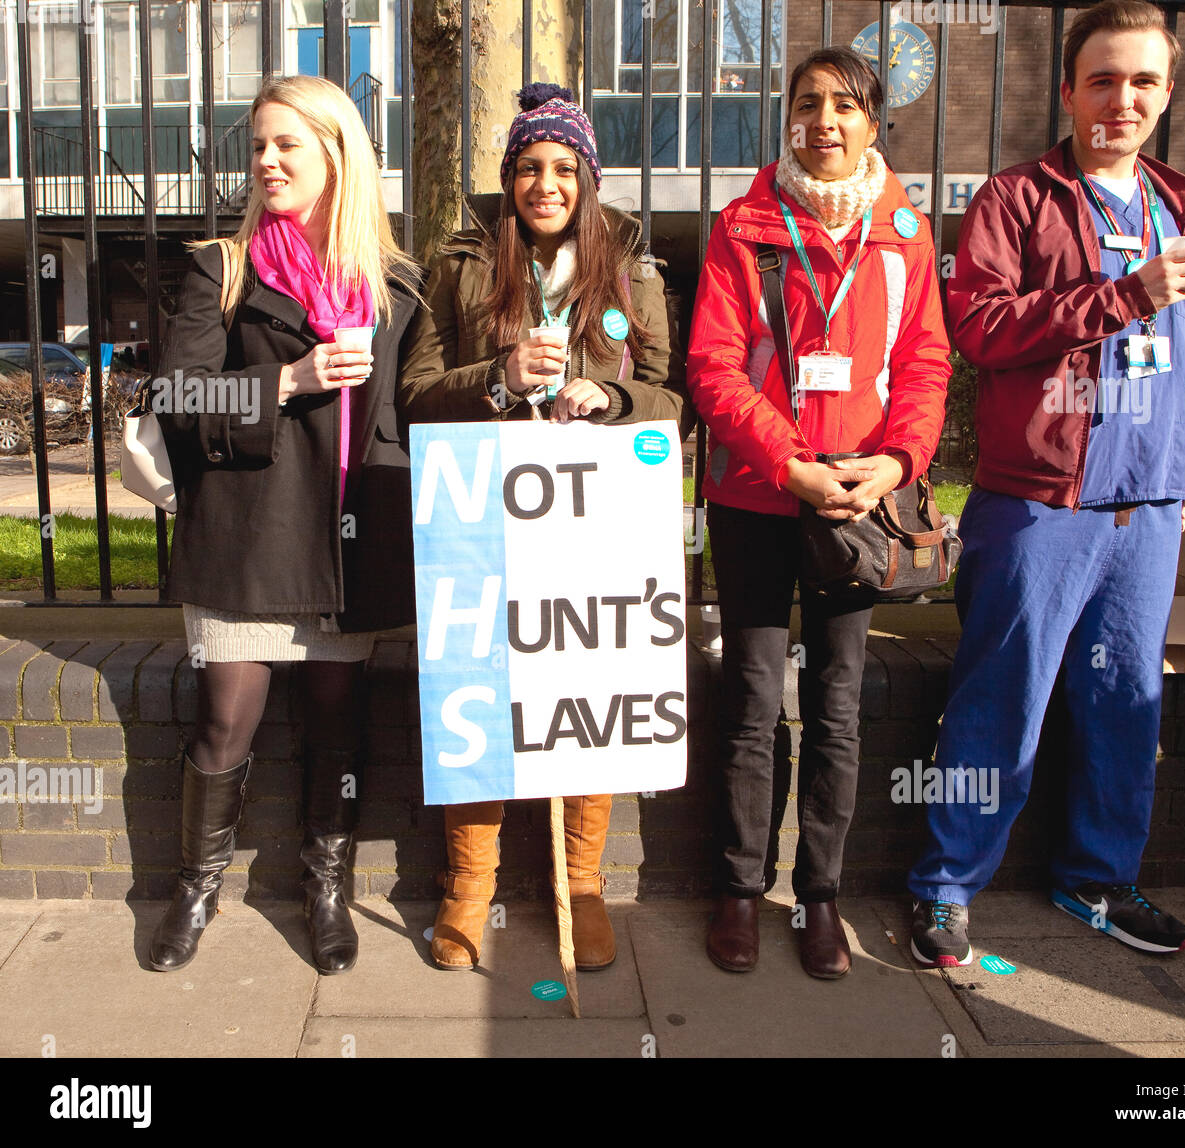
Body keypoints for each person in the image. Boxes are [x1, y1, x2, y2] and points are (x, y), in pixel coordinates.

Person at [908, 0, 1185, 966]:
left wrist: (1179, 469)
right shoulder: (1015, 199)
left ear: (1167, 93)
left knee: (1126, 703)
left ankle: (1099, 880)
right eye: (1102, 79)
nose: (1122, 99)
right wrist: (1125, 296)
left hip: (1151, 505)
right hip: (1040, 505)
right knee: (997, 700)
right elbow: (981, 331)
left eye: (1142, 81)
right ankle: (945, 886)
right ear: (1068, 90)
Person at [399, 83, 687, 972]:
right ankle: (468, 885)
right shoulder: (464, 263)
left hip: (593, 523)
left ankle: (584, 883)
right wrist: (497, 375)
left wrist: (612, 396)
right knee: (479, 691)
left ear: (588, 179)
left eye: (565, 168)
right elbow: (413, 393)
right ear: (510, 177)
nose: (547, 184)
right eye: (530, 167)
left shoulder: (634, 271)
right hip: (486, 516)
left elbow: (674, 397)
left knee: (589, 693)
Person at [148, 74, 425, 975]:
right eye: (258, 146)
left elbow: (413, 411)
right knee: (226, 720)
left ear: (338, 156)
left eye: (285, 146)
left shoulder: (394, 286)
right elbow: (177, 397)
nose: (265, 162)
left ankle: (326, 885)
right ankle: (196, 886)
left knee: (338, 721)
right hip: (247, 538)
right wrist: (292, 382)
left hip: (345, 542)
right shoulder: (219, 270)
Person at [687, 47, 950, 978]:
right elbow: (714, 369)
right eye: (807, 105)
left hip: (861, 500)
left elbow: (925, 361)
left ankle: (822, 898)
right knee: (754, 701)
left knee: (838, 706)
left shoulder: (906, 232)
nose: (825, 122)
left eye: (845, 106)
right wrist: (790, 462)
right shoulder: (744, 226)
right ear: (787, 119)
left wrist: (895, 461)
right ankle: (738, 889)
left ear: (874, 123)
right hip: (760, 493)